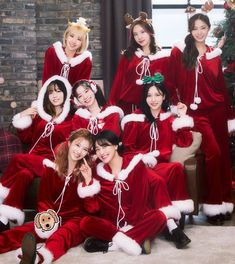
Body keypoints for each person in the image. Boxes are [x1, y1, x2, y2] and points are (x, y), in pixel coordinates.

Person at [168, 13, 235, 224]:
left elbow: (221, 89)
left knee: (223, 156)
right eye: (195, 27)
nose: (199, 31)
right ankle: (212, 205)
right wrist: (176, 103)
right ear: (190, 29)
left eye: (203, 27)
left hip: (216, 111)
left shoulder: (213, 55)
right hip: (196, 115)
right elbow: (170, 82)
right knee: (213, 153)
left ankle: (224, 202)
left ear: (208, 29)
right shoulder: (180, 52)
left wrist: (230, 116)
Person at [77, 130, 191, 254]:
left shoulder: (135, 166)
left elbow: (140, 199)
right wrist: (88, 181)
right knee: (85, 223)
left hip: (136, 220)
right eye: (97, 149)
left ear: (116, 146)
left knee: (159, 216)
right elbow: (93, 209)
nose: (101, 152)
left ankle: (110, 245)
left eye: (105, 146)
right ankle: (138, 238)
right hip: (111, 224)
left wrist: (132, 226)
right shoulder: (97, 173)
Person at [0, 128, 100, 263]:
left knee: (62, 236)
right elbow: (43, 200)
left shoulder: (87, 171)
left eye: (85, 149)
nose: (79, 151)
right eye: (77, 145)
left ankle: (37, 258)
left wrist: (88, 181)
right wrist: (47, 220)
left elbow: (92, 209)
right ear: (69, 143)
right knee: (21, 232)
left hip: (74, 221)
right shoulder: (51, 169)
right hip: (49, 218)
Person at [0, 75, 73, 231]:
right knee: (24, 174)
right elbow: (26, 137)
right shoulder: (41, 116)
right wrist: (24, 115)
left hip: (51, 163)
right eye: (51, 92)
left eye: (59, 91)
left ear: (65, 94)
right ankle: (5, 217)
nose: (55, 95)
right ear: (46, 95)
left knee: (18, 158)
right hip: (33, 159)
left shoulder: (70, 120)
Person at [121, 73, 194, 216]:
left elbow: (185, 141)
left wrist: (183, 116)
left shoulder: (169, 120)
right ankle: (166, 218)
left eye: (157, 95)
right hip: (139, 167)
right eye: (149, 95)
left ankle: (176, 211)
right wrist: (143, 157)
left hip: (160, 166)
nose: (153, 99)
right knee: (157, 180)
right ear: (145, 98)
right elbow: (127, 150)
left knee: (176, 168)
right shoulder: (135, 120)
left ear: (164, 97)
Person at [108, 11, 170, 114]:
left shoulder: (163, 58)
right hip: (131, 106)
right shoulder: (129, 56)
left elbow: (168, 84)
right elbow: (118, 82)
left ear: (150, 32)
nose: (139, 37)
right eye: (135, 34)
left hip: (155, 107)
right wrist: (111, 105)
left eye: (142, 32)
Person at [42, 17, 92, 86]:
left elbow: (82, 87)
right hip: (51, 95)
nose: (74, 41)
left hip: (73, 96)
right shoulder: (52, 52)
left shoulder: (85, 61)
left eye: (79, 39)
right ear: (66, 36)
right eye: (71, 36)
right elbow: (46, 80)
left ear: (82, 43)